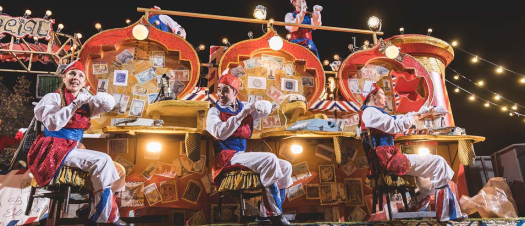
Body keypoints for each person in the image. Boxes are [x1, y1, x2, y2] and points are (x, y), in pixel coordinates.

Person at [27, 60, 126, 225]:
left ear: (85, 83)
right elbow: (51, 123)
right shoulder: (52, 98)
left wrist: (104, 98)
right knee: (103, 161)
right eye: (72, 74)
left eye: (81, 76)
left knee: (118, 169)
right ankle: (104, 218)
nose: (76, 78)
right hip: (53, 148)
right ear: (64, 77)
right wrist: (74, 104)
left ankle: (91, 209)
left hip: (72, 147)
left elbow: (105, 106)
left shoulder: (85, 101)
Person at [358, 83, 466, 222]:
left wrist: (418, 114)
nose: (385, 97)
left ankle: (417, 205)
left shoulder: (373, 112)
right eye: (382, 94)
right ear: (372, 95)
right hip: (388, 160)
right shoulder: (369, 112)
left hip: (388, 158)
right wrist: (417, 116)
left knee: (429, 176)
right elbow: (396, 125)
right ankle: (446, 213)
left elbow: (396, 120)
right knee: (438, 162)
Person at [206, 73, 293, 226]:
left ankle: (264, 214)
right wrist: (241, 116)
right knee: (270, 158)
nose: (220, 94)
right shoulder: (214, 112)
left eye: (225, 90)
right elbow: (220, 133)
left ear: (235, 92)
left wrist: (262, 105)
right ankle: (275, 214)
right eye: (219, 90)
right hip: (227, 157)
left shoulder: (243, 106)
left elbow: (265, 110)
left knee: (286, 166)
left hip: (241, 155)